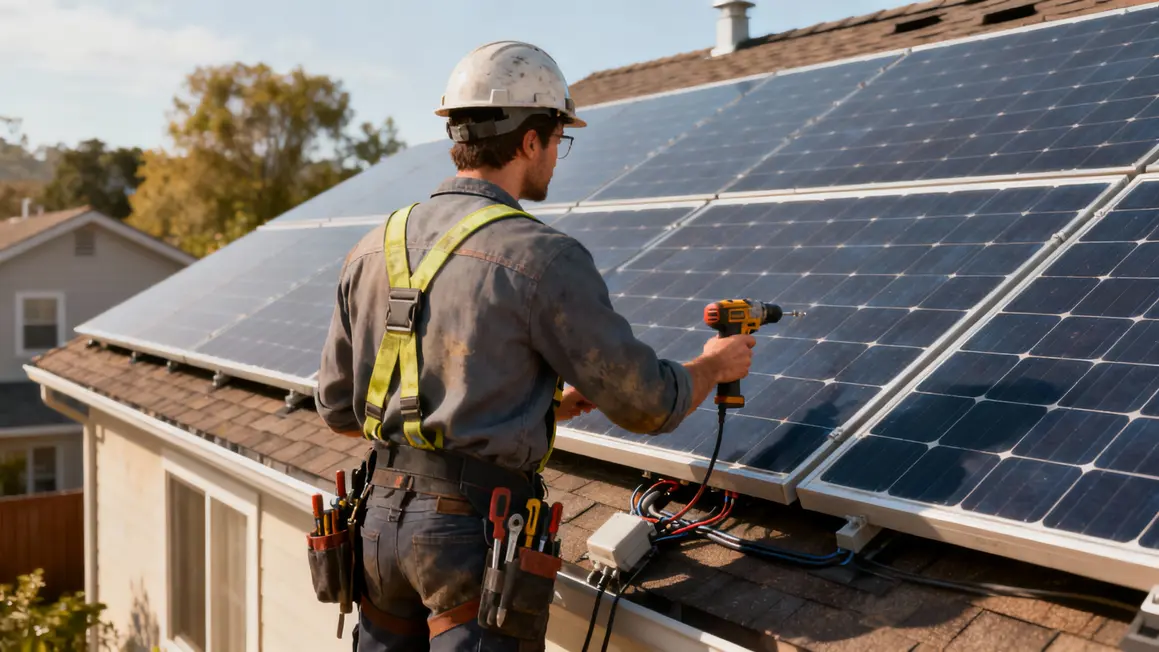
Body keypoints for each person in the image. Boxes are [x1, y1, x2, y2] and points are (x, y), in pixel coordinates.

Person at [315, 40, 756, 652]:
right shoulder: (540, 257)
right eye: (557, 139)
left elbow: (340, 411)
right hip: (472, 535)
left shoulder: (371, 247)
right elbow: (647, 404)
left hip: (377, 529)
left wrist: (541, 406)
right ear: (529, 141)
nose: (556, 156)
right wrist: (712, 365)